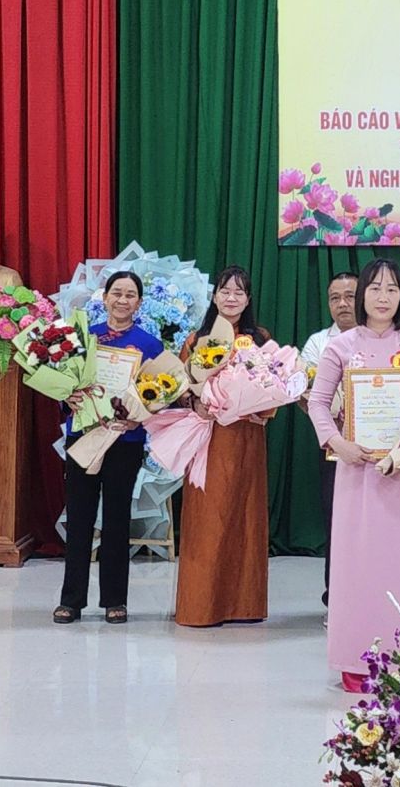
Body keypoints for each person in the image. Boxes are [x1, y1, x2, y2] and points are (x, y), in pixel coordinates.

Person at [306, 258, 400, 691]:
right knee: (360, 564)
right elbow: (317, 402)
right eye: (375, 288)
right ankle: (358, 659)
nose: (383, 297)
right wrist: (337, 443)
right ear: (362, 295)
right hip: (359, 472)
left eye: (392, 288)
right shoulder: (341, 346)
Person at [52, 271, 162, 625]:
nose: (122, 300)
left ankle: (115, 600)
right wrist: (68, 397)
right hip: (84, 435)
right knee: (79, 518)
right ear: (105, 298)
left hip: (125, 440)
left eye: (130, 295)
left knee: (117, 520)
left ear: (139, 303)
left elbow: (161, 395)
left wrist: (139, 418)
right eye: (117, 293)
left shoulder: (150, 345)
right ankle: (71, 600)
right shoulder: (83, 338)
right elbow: (64, 384)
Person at [175, 265, 272, 626]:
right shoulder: (196, 339)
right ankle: (201, 606)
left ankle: (245, 605)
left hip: (246, 437)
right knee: (207, 517)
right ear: (214, 296)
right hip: (209, 438)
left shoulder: (260, 338)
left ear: (248, 300)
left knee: (245, 516)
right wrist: (195, 402)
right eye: (225, 291)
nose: (231, 298)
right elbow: (179, 387)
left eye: (239, 292)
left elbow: (273, 381)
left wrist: (265, 409)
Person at [299, 271, 358, 611]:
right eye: (335, 298)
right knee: (337, 521)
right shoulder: (318, 343)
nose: (343, 304)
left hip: (380, 448)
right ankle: (336, 598)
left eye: (350, 296)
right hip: (333, 446)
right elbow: (303, 393)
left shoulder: (384, 339)